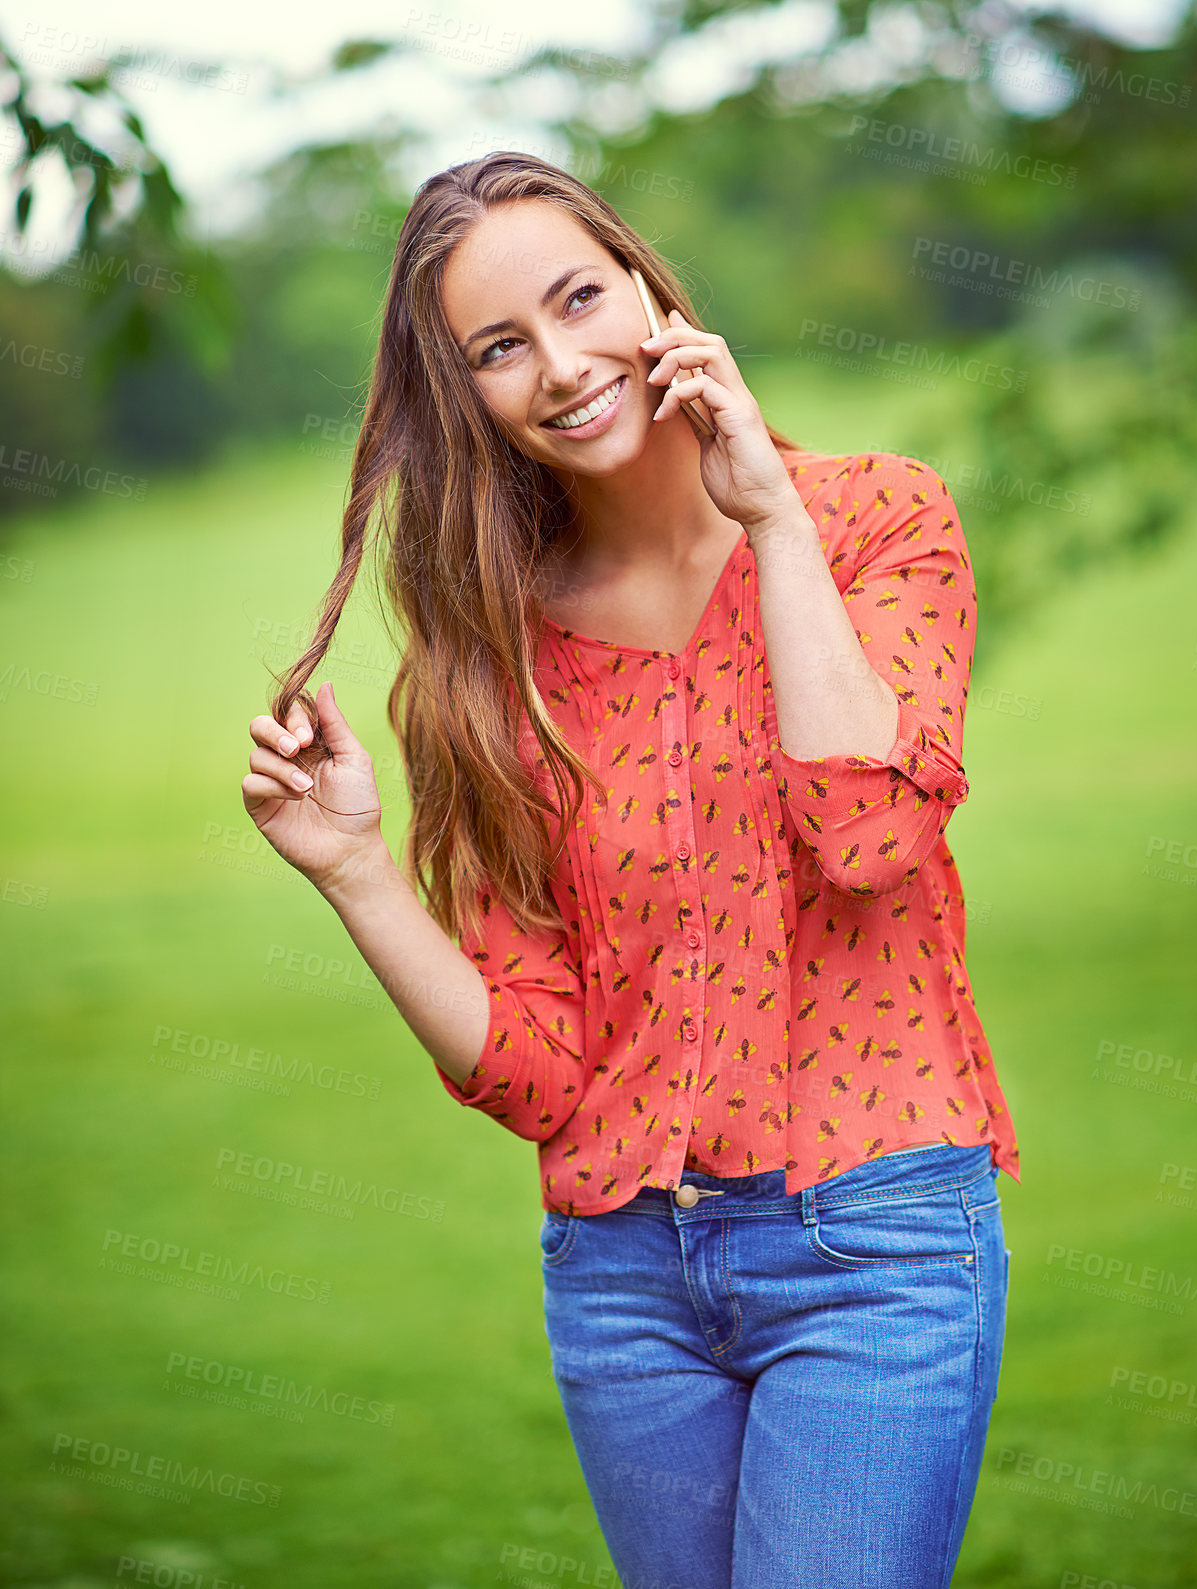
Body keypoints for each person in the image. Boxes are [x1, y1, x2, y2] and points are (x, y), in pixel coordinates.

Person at [241, 150, 1021, 1589]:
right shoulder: (492, 665)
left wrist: (769, 518)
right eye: (496, 348)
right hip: (622, 1284)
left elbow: (872, 836)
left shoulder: (873, 522)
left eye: (576, 298)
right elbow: (539, 1072)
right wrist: (356, 872)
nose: (557, 364)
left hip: (875, 1246)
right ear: (465, 394)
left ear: (649, 288)